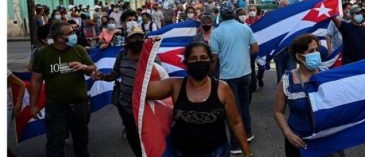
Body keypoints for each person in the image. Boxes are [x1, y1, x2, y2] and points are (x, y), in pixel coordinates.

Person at [146, 42, 253, 157]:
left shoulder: (222, 88)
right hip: (181, 152)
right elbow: (143, 92)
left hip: (217, 152)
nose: (199, 61)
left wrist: (247, 153)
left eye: (203, 57)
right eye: (193, 58)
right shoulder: (175, 85)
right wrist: (144, 56)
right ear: (186, 63)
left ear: (210, 60)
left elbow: (236, 123)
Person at [30, 21, 97, 157]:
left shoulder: (78, 49)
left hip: (80, 105)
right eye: (70, 33)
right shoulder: (43, 54)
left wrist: (84, 67)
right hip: (56, 107)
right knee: (55, 144)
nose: (74, 35)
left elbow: (93, 68)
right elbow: (36, 81)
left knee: (81, 142)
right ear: (60, 38)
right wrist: (33, 105)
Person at [274, 34, 344, 157]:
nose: (316, 53)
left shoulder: (328, 75)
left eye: (317, 49)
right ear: (299, 56)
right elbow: (278, 112)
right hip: (298, 142)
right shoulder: (286, 80)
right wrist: (288, 134)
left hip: (326, 141)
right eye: (311, 51)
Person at [210, 2, 259, 154]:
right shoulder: (245, 28)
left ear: (221, 15)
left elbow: (214, 57)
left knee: (232, 110)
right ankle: (248, 133)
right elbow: (255, 48)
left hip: (227, 77)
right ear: (234, 14)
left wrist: (211, 75)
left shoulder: (216, 33)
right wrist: (244, 57)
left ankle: (236, 145)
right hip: (246, 73)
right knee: (244, 105)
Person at [92, 27, 146, 157]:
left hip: (144, 107)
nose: (137, 40)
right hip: (125, 105)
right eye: (133, 37)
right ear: (128, 40)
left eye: (140, 37)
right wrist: (103, 77)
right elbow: (115, 74)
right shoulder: (122, 54)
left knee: (145, 136)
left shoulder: (149, 54)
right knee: (132, 136)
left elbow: (158, 75)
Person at [273, 0, 297, 83]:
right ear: (279, 6)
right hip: (279, 51)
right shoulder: (274, 17)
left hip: (291, 49)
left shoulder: (293, 17)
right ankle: (281, 92)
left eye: (287, 5)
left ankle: (291, 91)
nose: (286, 6)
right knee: (280, 74)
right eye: (284, 5)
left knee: (292, 72)